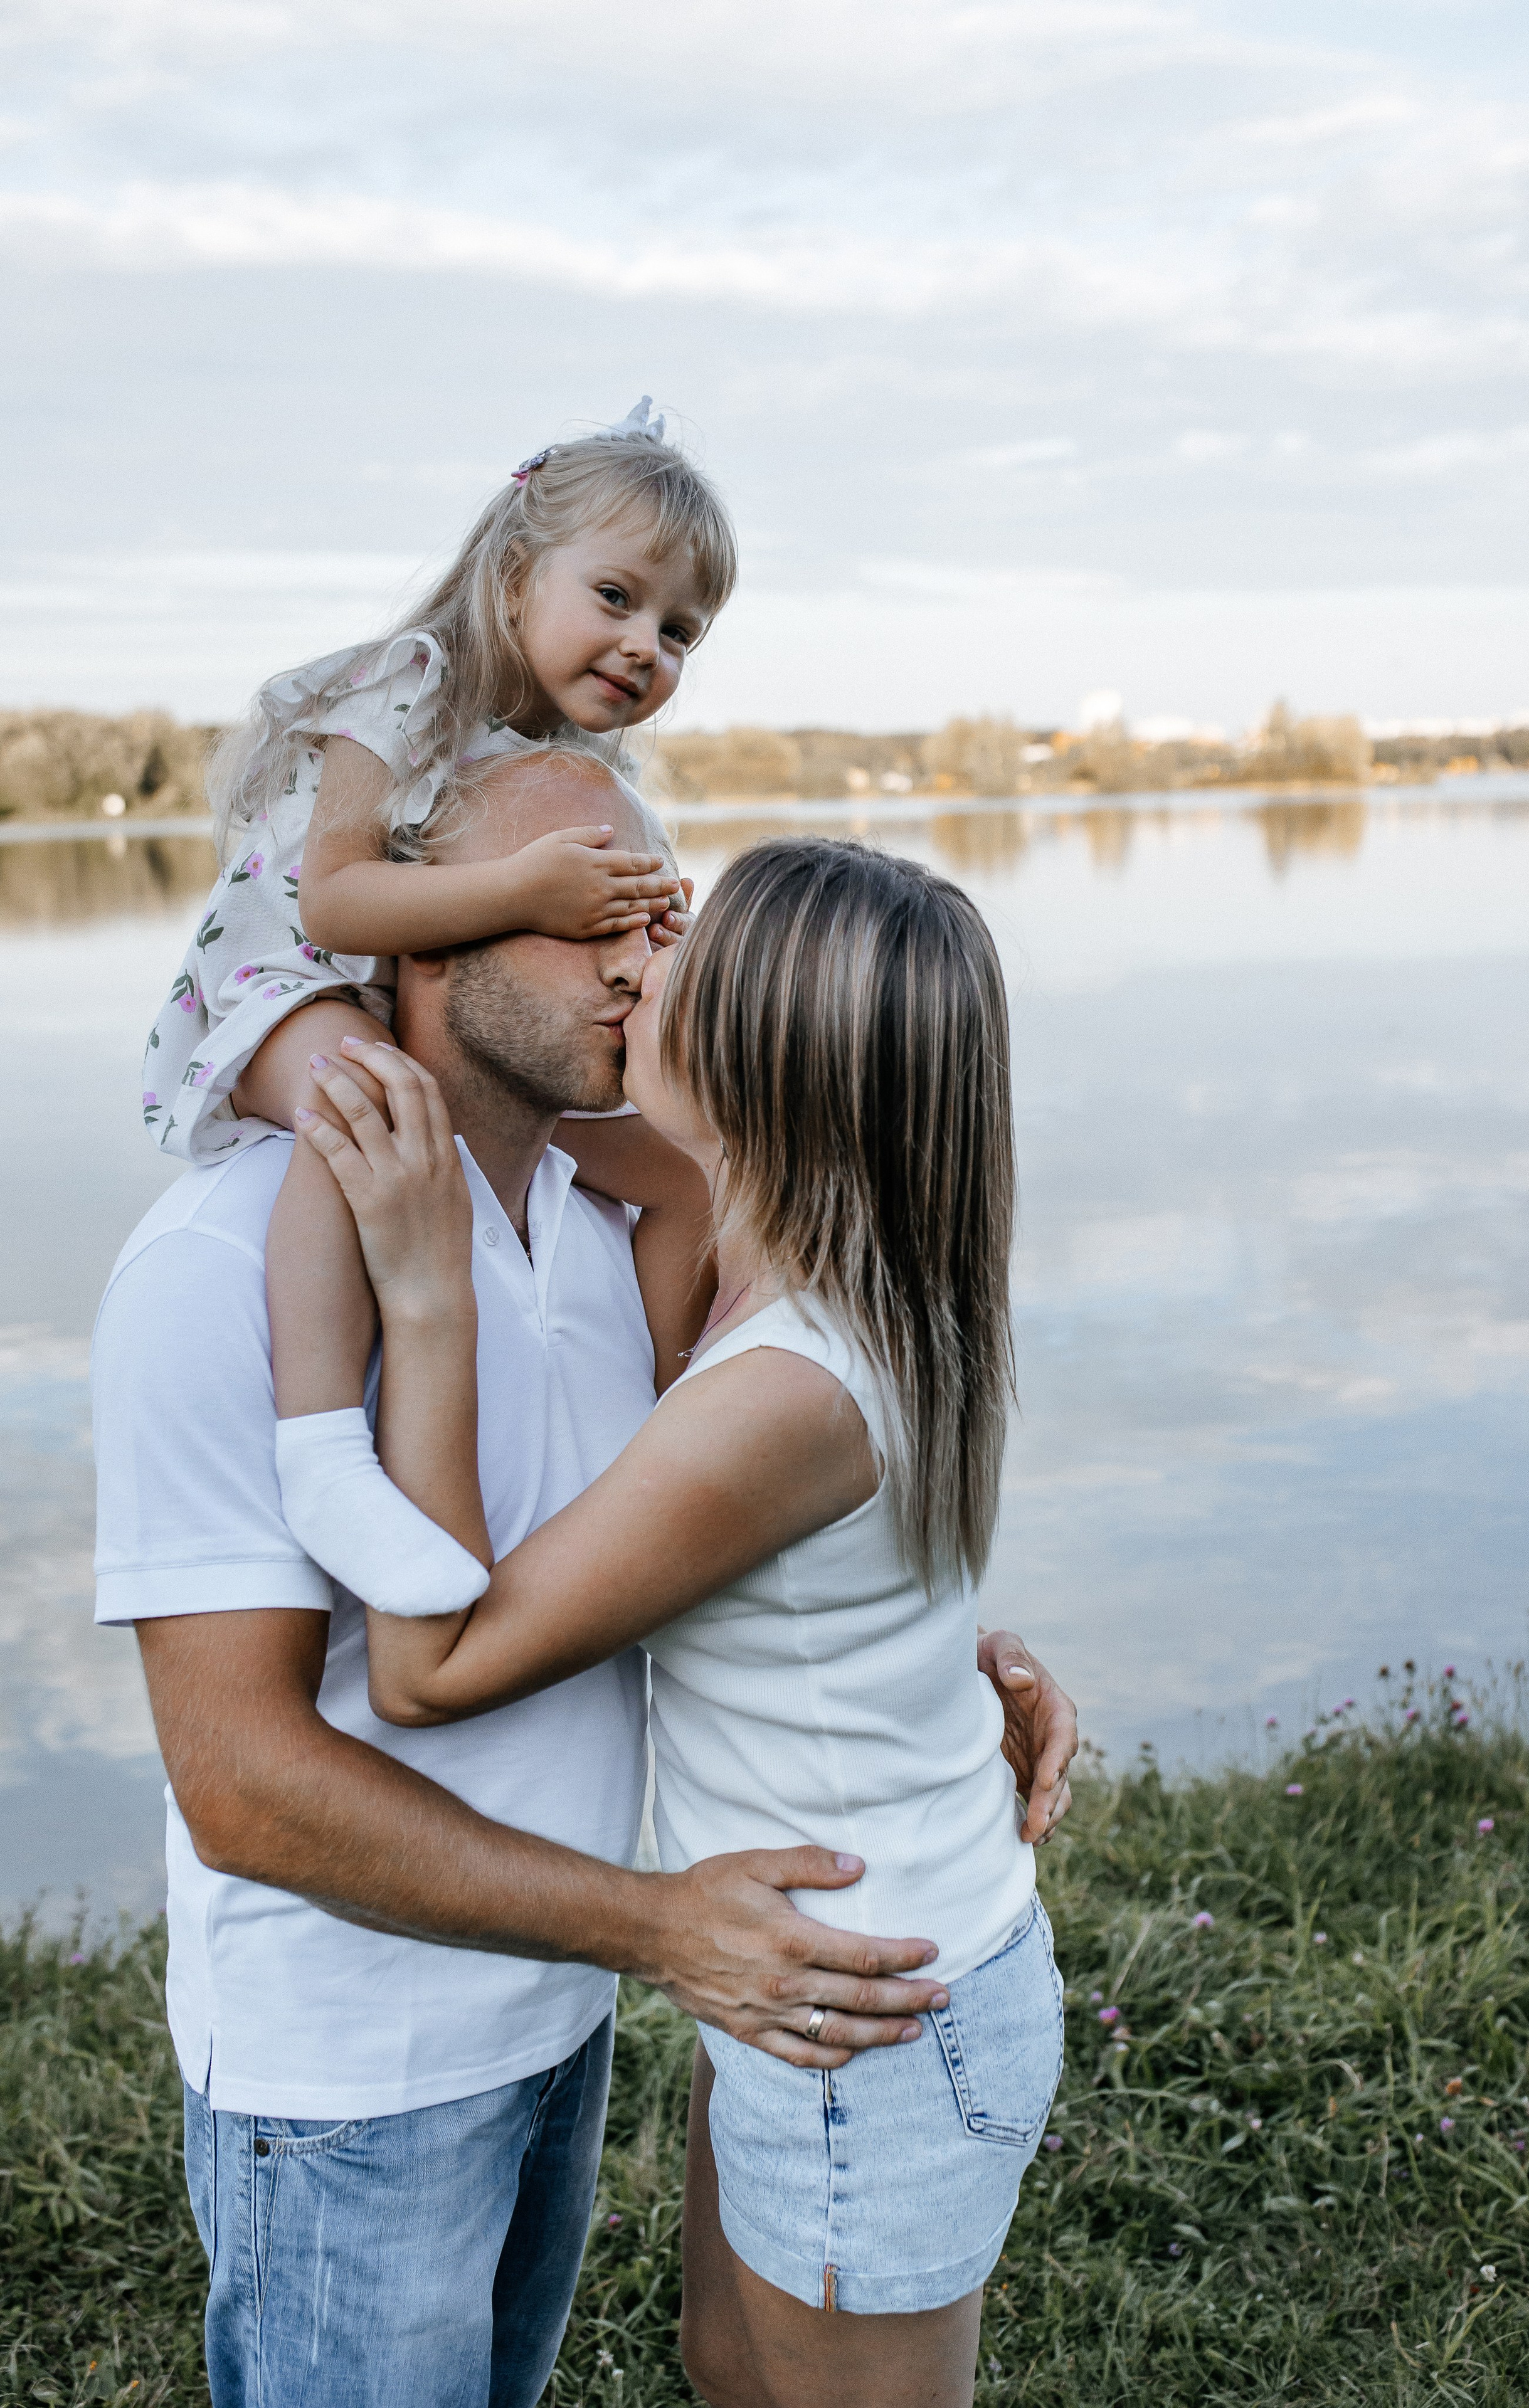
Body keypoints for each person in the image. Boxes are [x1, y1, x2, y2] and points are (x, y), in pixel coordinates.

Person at [94, 757, 1077, 2407]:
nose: (634, 953)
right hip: (367, 2071)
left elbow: (748, 1511)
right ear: (425, 936)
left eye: (660, 914)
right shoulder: (219, 1269)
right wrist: (663, 1925)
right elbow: (247, 1788)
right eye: (579, 907)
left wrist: (918, 1650)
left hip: (611, 2015)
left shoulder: (625, 1223)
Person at [142, 400, 732, 1600]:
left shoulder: (575, 763)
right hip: (291, 982)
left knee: (677, 1166)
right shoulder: (408, 687)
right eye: (616, 598)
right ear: (515, 576)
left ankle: (696, 1424)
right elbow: (340, 903)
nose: (643, 648)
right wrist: (524, 886)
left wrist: (644, 920)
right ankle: (324, 1450)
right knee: (370, 1101)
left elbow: (580, 922)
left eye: (680, 632)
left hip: (421, 1016)